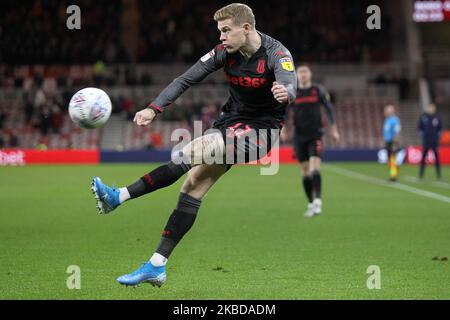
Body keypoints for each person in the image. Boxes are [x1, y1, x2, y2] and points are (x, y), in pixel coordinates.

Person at [91, 3, 297, 287]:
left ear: (246, 28)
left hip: (261, 132)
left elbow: (290, 84)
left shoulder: (277, 53)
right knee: (192, 185)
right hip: (231, 123)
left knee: (192, 150)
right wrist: (154, 108)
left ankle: (118, 197)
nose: (221, 36)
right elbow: (186, 79)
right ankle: (156, 266)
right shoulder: (224, 52)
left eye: (226, 30)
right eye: (220, 31)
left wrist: (285, 92)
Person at [281, 65, 339, 218]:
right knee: (305, 172)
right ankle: (311, 202)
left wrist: (334, 129)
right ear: (297, 75)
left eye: (305, 71)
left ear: (310, 74)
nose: (303, 74)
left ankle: (318, 200)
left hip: (316, 135)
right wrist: (283, 128)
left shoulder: (318, 90)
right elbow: (285, 112)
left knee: (314, 168)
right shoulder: (294, 92)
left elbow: (329, 109)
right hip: (299, 137)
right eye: (300, 72)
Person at [418, 103, 443, 180]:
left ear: (434, 108)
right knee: (423, 158)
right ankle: (421, 175)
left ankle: (439, 175)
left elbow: (440, 129)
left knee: (437, 158)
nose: (431, 109)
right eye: (429, 107)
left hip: (434, 141)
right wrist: (423, 135)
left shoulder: (437, 117)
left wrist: (438, 137)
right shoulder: (423, 117)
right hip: (426, 141)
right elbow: (419, 128)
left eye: (432, 107)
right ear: (428, 108)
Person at [383, 105, 401, 182]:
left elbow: (396, 132)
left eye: (387, 110)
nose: (385, 112)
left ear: (392, 111)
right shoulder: (387, 120)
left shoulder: (395, 120)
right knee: (390, 160)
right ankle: (393, 173)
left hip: (392, 142)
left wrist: (395, 144)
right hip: (388, 142)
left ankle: (394, 176)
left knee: (392, 159)